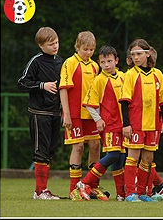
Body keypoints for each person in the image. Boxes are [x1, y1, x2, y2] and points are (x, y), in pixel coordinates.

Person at [120, 38, 163, 202]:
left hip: (153, 124)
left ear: (148, 54)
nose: (136, 57)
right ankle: (130, 193)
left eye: (139, 54)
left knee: (148, 159)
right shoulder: (130, 75)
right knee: (132, 157)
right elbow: (124, 101)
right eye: (133, 54)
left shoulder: (158, 74)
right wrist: (126, 125)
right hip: (135, 124)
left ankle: (143, 193)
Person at [74, 45, 126, 201]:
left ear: (116, 61)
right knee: (113, 155)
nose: (107, 65)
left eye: (109, 61)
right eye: (103, 62)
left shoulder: (123, 77)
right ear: (99, 63)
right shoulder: (99, 80)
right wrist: (98, 119)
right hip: (109, 124)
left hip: (123, 125)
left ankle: (121, 194)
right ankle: (85, 182)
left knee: (120, 158)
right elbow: (89, 103)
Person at [17, 27, 63, 200]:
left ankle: (43, 190)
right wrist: (42, 85)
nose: (55, 46)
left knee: (50, 151)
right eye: (51, 44)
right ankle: (40, 191)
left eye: (57, 42)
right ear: (41, 45)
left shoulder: (61, 62)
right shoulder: (35, 61)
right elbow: (22, 83)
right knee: (41, 152)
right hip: (39, 112)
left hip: (55, 113)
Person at [59, 31, 103, 200]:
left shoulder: (95, 66)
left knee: (95, 146)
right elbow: (63, 89)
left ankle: (92, 186)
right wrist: (67, 114)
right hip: (75, 114)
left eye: (92, 49)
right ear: (77, 47)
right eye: (85, 49)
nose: (89, 52)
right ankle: (74, 189)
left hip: (91, 114)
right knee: (78, 147)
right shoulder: (69, 63)